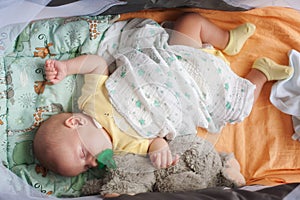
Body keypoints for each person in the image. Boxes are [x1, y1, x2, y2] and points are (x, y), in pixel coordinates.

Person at [33, 13, 293, 177]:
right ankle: (261, 73)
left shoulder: (89, 103)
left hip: (175, 62)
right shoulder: (124, 148)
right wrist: (160, 152)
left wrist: (67, 68)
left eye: (82, 155)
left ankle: (226, 39)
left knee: (190, 22)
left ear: (74, 122)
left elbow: (97, 64)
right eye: (87, 167)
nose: (92, 161)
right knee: (238, 108)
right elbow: (155, 141)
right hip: (196, 95)